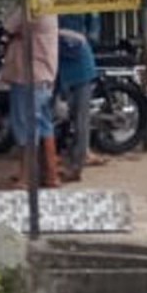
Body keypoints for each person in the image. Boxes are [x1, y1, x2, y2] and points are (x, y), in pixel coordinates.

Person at [2, 4, 60, 188]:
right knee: (44, 125)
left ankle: (27, 176)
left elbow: (8, 26)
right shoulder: (48, 7)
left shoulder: (32, 6)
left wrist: (12, 35)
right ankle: (51, 175)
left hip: (29, 76)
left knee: (26, 127)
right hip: (43, 75)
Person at [57, 14, 102, 182]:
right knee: (67, 118)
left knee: (80, 121)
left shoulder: (82, 5)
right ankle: (65, 163)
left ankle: (76, 167)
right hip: (62, 67)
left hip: (79, 67)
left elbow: (93, 34)